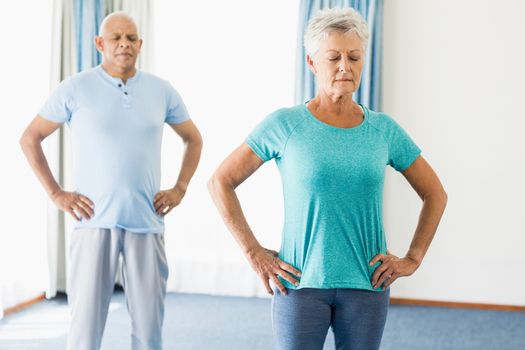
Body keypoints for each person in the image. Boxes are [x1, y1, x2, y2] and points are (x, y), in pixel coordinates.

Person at [208, 7, 447, 350]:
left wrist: (413, 258)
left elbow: (435, 193)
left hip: (367, 283)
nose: (344, 67)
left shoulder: (383, 130)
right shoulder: (284, 125)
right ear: (312, 63)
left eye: (354, 56)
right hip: (299, 283)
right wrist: (253, 252)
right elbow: (221, 181)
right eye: (333, 57)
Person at [19, 12, 202, 350]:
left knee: (149, 331)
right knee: (85, 330)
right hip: (92, 221)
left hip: (146, 221)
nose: (124, 44)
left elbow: (193, 139)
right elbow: (30, 138)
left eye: (131, 38)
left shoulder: (162, 91)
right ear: (100, 43)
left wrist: (180, 188)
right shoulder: (75, 87)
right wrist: (56, 193)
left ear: (140, 44)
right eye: (116, 38)